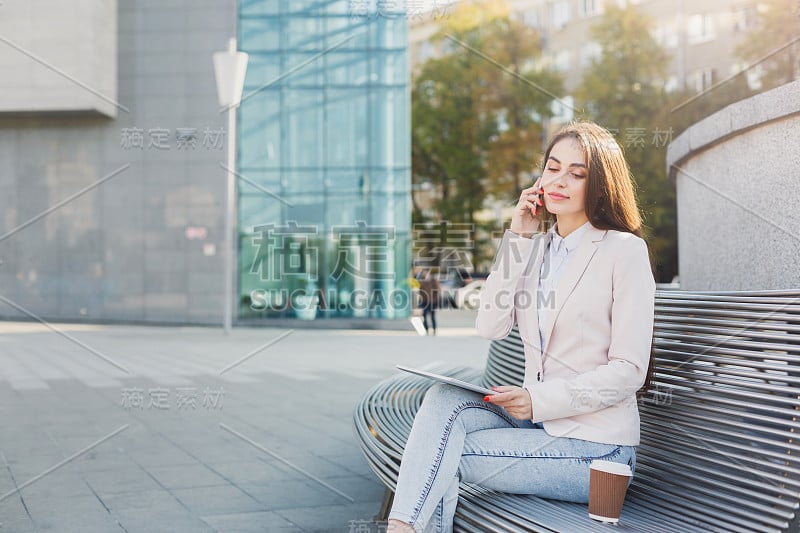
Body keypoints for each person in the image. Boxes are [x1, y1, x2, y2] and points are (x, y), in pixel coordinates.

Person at [387, 122, 656, 532]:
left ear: (600, 186)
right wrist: (518, 237)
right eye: (552, 168)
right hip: (540, 427)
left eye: (577, 173)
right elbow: (490, 324)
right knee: (443, 400)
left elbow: (629, 371)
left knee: (439, 453)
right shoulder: (536, 248)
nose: (559, 181)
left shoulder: (624, 251)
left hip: (597, 450)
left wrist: (537, 399)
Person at [417, 268, 440, 335]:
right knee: (424, 316)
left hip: (433, 302)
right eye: (423, 272)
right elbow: (420, 291)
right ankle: (426, 329)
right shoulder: (422, 281)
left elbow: (437, 290)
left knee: (432, 316)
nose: (424, 274)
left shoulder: (433, 280)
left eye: (425, 272)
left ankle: (434, 329)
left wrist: (434, 299)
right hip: (425, 302)